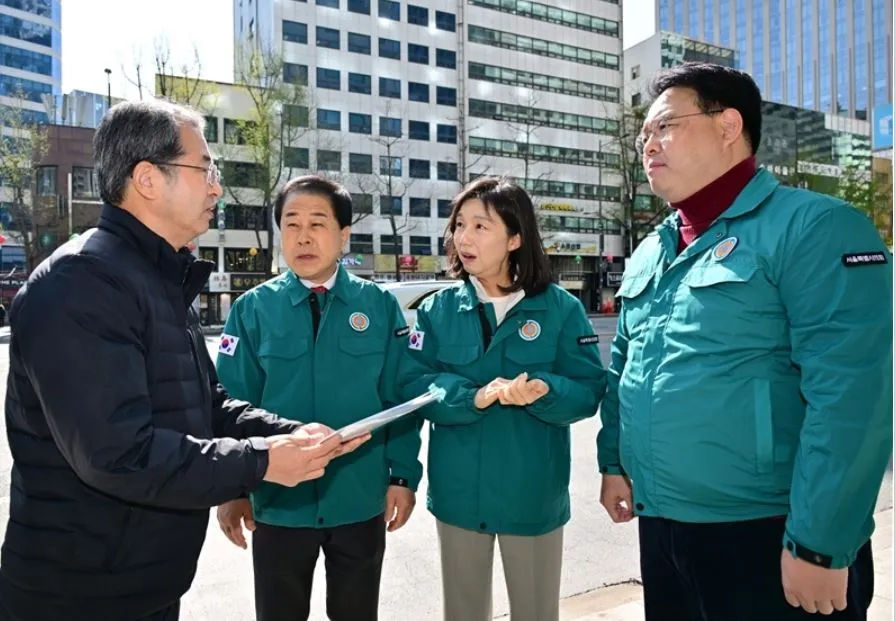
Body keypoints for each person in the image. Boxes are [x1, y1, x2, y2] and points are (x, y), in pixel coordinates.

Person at [0, 101, 366, 621]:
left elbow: (205, 405)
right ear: (148, 179)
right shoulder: (80, 285)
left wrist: (290, 433)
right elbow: (119, 454)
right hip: (79, 593)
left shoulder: (156, 278)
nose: (216, 187)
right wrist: (262, 461)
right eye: (206, 169)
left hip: (140, 581)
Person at [597, 62, 893, 621]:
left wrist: (819, 542)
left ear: (729, 125)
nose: (648, 145)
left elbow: (853, 397)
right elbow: (625, 369)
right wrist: (613, 459)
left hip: (768, 530)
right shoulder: (653, 250)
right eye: (643, 135)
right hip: (662, 525)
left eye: (664, 126)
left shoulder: (813, 227)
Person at [215, 175, 423, 621]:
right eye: (291, 224)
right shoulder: (252, 310)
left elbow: (400, 399)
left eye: (318, 223)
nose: (304, 236)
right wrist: (232, 489)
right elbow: (229, 404)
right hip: (278, 503)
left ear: (344, 234)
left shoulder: (379, 306)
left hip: (358, 498)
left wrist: (402, 477)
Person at [400, 177, 607, 621]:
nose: (464, 237)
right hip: (460, 493)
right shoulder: (437, 310)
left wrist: (547, 390)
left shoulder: (559, 308)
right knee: (464, 611)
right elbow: (412, 383)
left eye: (481, 226)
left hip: (531, 491)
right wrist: (469, 397)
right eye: (460, 225)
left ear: (515, 238)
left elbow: (589, 389)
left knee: (535, 611)